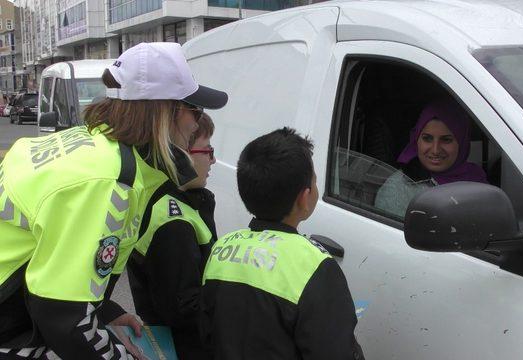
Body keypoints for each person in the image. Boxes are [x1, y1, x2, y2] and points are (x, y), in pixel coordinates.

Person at [0, 42, 227, 359]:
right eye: (195, 111)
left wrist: (104, 310)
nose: (195, 124)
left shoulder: (93, 143)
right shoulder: (107, 180)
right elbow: (61, 314)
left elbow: (57, 256)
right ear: (167, 113)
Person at [199, 127, 365, 360]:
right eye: (315, 182)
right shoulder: (315, 266)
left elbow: (206, 333)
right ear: (304, 197)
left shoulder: (222, 248)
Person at [127, 113, 217, 359]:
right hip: (184, 349)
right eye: (207, 151)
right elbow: (183, 308)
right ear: (181, 154)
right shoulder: (173, 223)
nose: (214, 160)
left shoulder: (173, 202)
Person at [375, 98, 487, 218]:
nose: (435, 150)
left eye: (446, 140)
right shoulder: (399, 187)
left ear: (462, 143)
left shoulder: (476, 179)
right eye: (427, 139)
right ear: (416, 140)